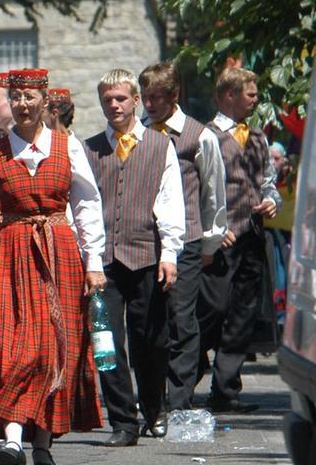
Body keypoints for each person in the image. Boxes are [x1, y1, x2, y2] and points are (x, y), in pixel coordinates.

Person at [0, 68, 105, 465]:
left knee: (53, 350)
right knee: (11, 350)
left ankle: (42, 443)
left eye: (31, 98)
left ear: (45, 101)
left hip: (59, 255)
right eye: (17, 98)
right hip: (10, 257)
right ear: (9, 102)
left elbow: (87, 205)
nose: (24, 105)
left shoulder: (67, 147)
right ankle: (12, 438)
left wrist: (94, 262)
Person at [82, 69, 185, 446]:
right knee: (106, 341)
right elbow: (80, 204)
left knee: (151, 341)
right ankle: (122, 421)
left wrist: (170, 252)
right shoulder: (88, 148)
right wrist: (88, 257)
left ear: (136, 100)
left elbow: (171, 202)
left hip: (146, 255)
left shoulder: (160, 147)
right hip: (103, 261)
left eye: (121, 98)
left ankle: (153, 408)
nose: (114, 105)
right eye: (108, 99)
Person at [137, 62, 226, 419]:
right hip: (147, 240)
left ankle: (179, 400)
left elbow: (213, 192)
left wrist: (209, 242)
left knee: (182, 317)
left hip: (187, 238)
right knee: (152, 319)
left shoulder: (196, 135)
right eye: (145, 98)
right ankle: (155, 396)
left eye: (157, 97)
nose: (149, 105)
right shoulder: (141, 133)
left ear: (175, 96)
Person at [197, 66, 281, 413]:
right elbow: (197, 189)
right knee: (212, 309)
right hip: (220, 241)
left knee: (243, 314)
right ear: (229, 95)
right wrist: (212, 228)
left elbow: (267, 181)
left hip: (252, 238)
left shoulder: (259, 137)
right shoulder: (207, 135)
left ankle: (226, 391)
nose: (256, 99)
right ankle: (188, 370)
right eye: (250, 94)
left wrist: (271, 200)